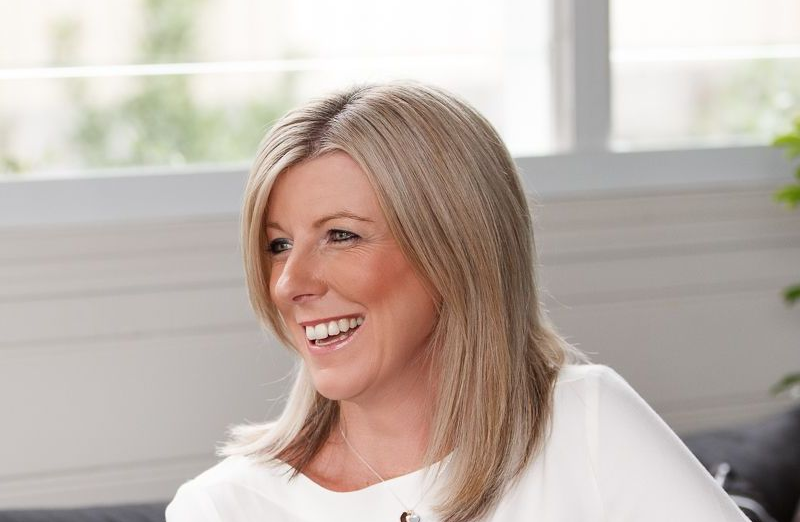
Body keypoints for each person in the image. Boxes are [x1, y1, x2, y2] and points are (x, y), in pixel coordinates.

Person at [165, 80, 748, 522]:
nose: (289, 283)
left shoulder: (586, 423)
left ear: (455, 247)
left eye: (341, 235)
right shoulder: (223, 508)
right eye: (278, 245)